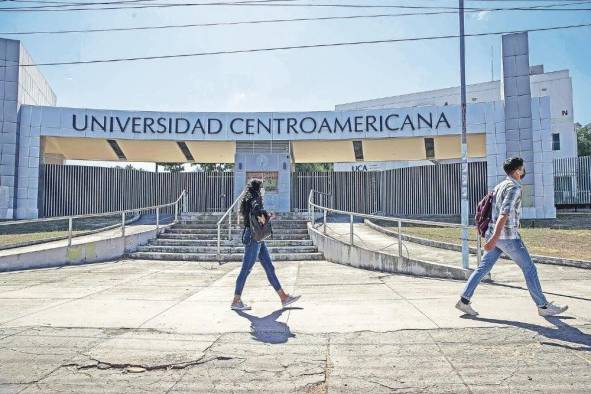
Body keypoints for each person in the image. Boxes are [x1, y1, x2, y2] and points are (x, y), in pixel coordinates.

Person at [455, 157, 568, 317]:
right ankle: (543, 307)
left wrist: (493, 238)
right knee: (529, 268)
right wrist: (494, 238)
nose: (523, 171)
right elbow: (504, 214)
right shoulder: (513, 187)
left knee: (483, 268)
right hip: (507, 237)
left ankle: (464, 301)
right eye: (522, 168)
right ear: (517, 171)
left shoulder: (500, 186)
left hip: (496, 235)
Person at [231, 179, 301, 311]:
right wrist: (269, 216)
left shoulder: (247, 198)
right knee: (246, 269)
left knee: (269, 267)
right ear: (258, 188)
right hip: (253, 238)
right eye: (262, 188)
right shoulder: (255, 198)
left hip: (257, 237)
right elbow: (259, 214)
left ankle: (283, 297)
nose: (263, 191)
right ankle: (236, 300)